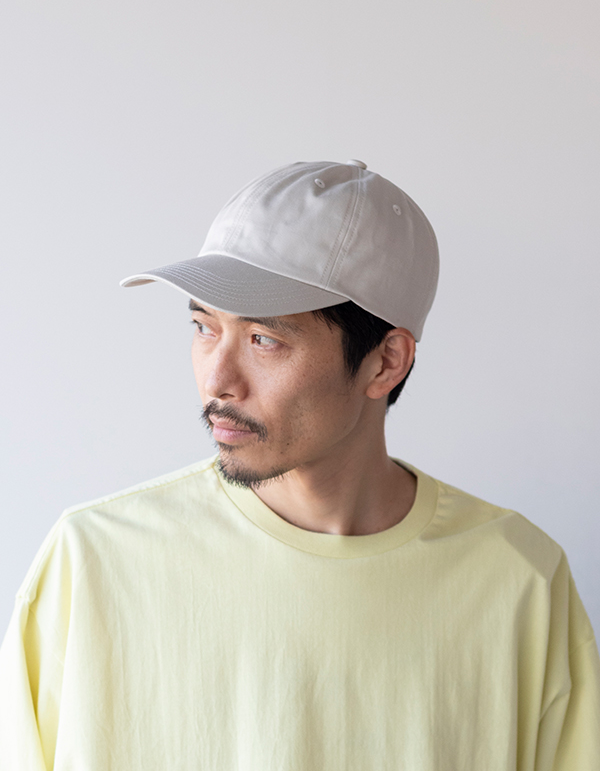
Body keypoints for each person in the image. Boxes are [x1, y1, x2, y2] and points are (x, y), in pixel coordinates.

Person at [0, 159, 598, 770]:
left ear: (386, 361)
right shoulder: (94, 564)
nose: (217, 380)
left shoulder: (519, 580)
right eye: (204, 327)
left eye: (264, 339)